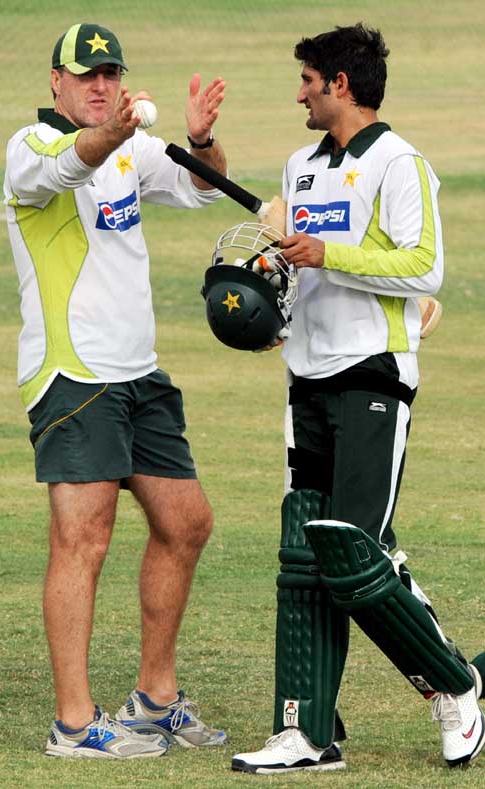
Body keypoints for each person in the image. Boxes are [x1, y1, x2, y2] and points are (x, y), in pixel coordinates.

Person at [231, 23, 485, 774]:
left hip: (373, 374)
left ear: (340, 84)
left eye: (308, 80)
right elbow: (305, 272)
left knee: (350, 547)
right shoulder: (300, 165)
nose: (300, 93)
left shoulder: (401, 163)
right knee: (303, 552)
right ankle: (305, 731)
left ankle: (456, 687)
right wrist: (272, 287)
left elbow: (424, 268)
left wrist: (326, 253)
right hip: (305, 378)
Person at [4, 22, 229, 759]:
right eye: (86, 74)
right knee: (83, 540)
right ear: (56, 82)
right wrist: (119, 129)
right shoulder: (30, 150)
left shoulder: (131, 146)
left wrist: (198, 142)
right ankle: (73, 723)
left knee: (186, 521)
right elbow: (75, 160)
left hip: (140, 374)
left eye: (111, 74)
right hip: (75, 375)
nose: (101, 85)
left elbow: (201, 186)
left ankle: (155, 698)